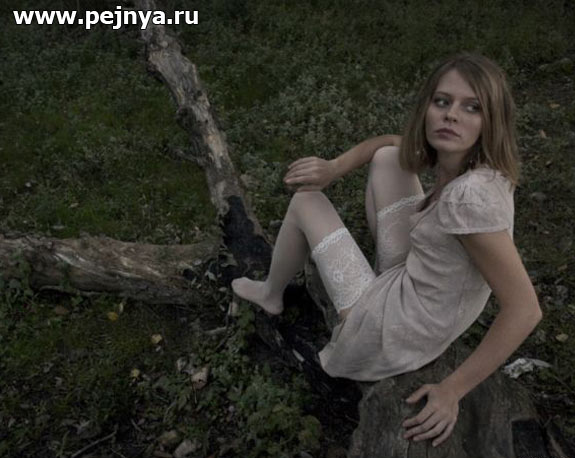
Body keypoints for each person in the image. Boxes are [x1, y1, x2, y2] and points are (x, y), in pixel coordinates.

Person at [231, 53, 542, 447]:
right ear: (427, 107)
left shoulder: (468, 200)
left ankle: (270, 294)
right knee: (389, 159)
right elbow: (388, 143)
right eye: (442, 101)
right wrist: (333, 167)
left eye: (472, 107)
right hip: (424, 283)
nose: (451, 115)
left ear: (491, 120)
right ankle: (306, 287)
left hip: (400, 328)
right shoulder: (477, 164)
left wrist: (452, 390)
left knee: (306, 202)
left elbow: (525, 310)